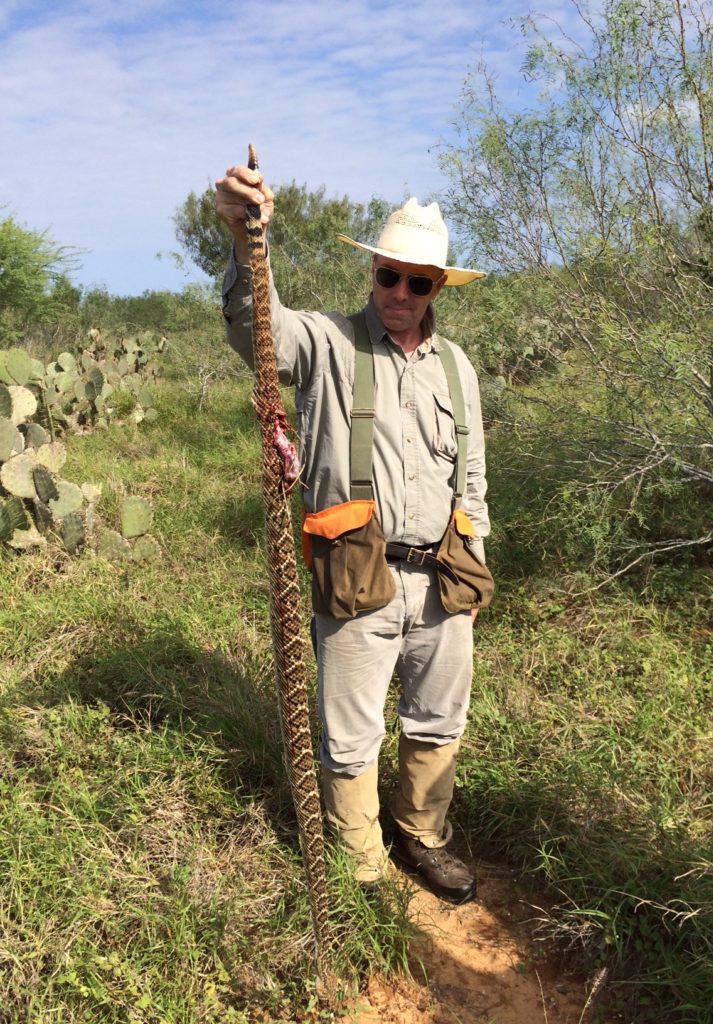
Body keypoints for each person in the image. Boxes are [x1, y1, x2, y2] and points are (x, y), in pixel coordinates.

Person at [215, 160, 492, 905]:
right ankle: (364, 864)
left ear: (438, 288)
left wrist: (474, 571)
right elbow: (257, 330)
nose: (400, 295)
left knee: (438, 720)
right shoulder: (327, 344)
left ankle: (422, 838)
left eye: (418, 282)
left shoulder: (459, 369)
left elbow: (472, 480)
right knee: (349, 734)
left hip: (443, 579)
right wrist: (246, 243)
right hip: (356, 574)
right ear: (372, 274)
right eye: (389, 277)